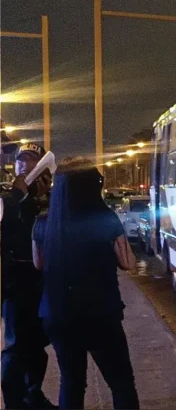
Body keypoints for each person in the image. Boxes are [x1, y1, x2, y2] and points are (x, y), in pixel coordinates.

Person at [32, 157, 139, 409]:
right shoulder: (105, 218)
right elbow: (127, 262)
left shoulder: (44, 220)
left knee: (71, 382)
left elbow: (38, 263)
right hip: (99, 315)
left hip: (58, 315)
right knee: (121, 382)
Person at [1, 142, 56, 409]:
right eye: (21, 161)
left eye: (33, 160)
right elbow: (7, 225)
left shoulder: (51, 199)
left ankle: (33, 395)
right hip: (16, 283)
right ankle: (14, 403)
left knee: (37, 347)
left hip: (42, 282)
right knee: (15, 348)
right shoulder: (7, 197)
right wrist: (18, 196)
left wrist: (44, 199)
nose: (26, 165)